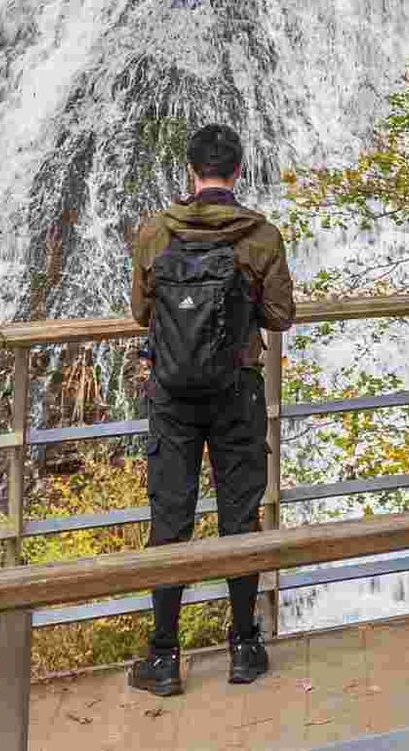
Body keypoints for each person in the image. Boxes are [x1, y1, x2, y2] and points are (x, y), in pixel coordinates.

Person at [124, 125, 294, 700]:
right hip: (237, 393)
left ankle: (164, 656)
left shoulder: (156, 231)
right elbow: (280, 315)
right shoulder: (261, 235)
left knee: (170, 521)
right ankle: (244, 645)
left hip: (171, 396)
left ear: (191, 173)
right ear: (239, 172)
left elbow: (139, 310)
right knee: (239, 515)